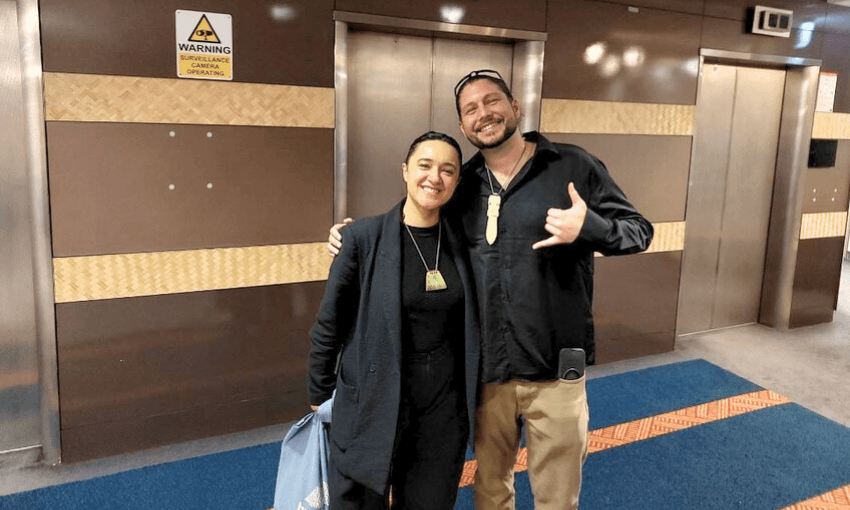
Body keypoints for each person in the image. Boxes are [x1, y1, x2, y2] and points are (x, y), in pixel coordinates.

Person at [329, 70, 654, 510]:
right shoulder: (461, 184)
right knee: (491, 489)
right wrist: (356, 238)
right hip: (484, 373)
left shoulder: (573, 165)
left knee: (558, 498)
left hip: (554, 369)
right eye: (471, 109)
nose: (483, 113)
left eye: (492, 101)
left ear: (514, 107)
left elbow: (639, 231)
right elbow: (415, 223)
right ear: (463, 126)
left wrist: (591, 228)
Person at [308, 131, 480, 510]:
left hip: (440, 409)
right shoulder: (362, 238)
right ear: (405, 171)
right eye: (425, 165)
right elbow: (329, 324)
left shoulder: (464, 242)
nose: (434, 177)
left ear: (456, 181)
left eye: (447, 170)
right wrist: (319, 396)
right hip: (372, 400)